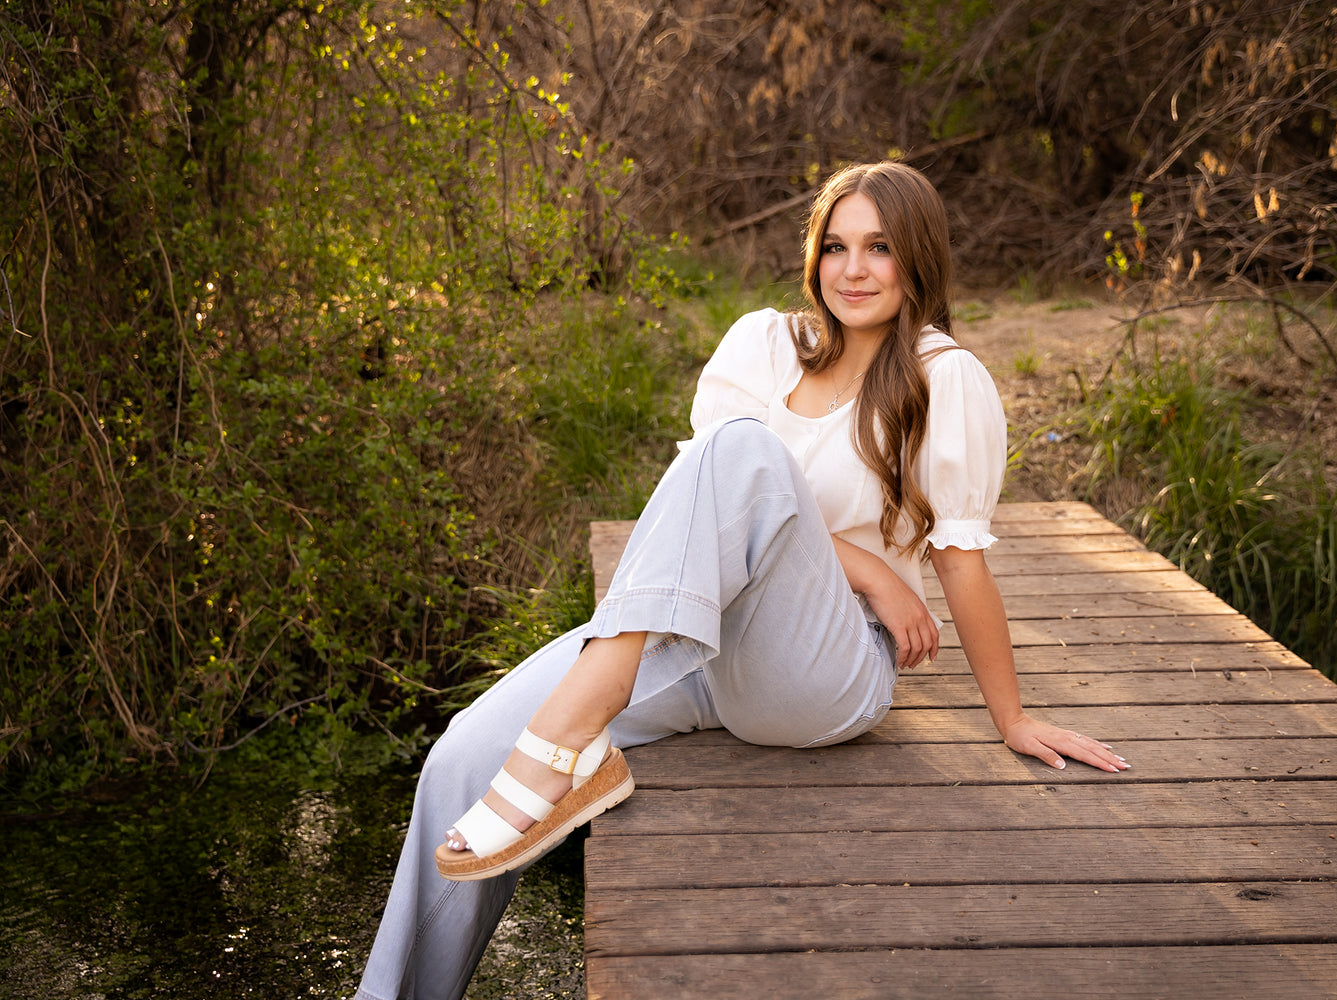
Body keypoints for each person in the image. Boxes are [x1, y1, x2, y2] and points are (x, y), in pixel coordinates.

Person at [353, 161, 1128, 1000]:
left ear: (919, 259)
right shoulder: (764, 345)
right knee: (460, 756)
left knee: (742, 450)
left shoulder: (945, 379)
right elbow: (700, 504)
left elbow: (962, 558)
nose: (853, 270)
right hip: (699, 643)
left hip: (823, 669)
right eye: (835, 246)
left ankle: (584, 710)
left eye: (879, 247)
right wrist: (866, 561)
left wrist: (1009, 717)